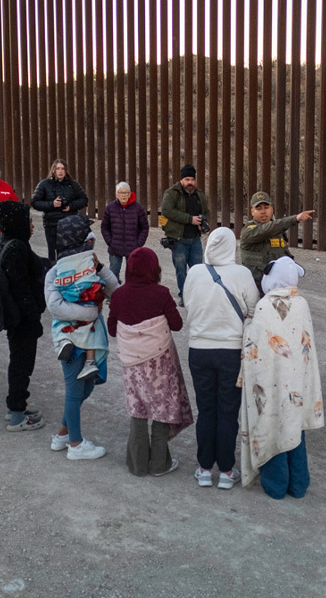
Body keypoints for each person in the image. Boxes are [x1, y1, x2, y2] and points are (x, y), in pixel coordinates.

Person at [239, 257, 324, 499]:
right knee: (294, 425)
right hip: (296, 379)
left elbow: (254, 344)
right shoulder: (302, 304)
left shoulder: (265, 306)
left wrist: (247, 324)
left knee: (272, 422)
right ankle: (298, 484)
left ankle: (275, 484)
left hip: (271, 380)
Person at [182, 227, 260, 489]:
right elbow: (253, 308)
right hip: (232, 351)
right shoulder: (242, 273)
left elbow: (188, 304)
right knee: (228, 410)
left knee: (206, 409)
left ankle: (204, 468)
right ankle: (226, 471)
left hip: (199, 349)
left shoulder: (194, 272)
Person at [107, 247, 191, 477]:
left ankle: (138, 465)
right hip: (160, 362)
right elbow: (177, 325)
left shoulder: (118, 295)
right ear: (155, 268)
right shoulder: (161, 293)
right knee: (162, 410)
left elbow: (112, 330)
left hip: (132, 363)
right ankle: (159, 464)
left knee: (138, 409)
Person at [45, 216, 121, 459]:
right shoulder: (55, 272)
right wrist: (89, 312)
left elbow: (115, 291)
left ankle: (63, 434)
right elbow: (55, 306)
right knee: (74, 389)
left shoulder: (91, 267)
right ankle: (76, 445)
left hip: (92, 337)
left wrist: (100, 268)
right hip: (70, 339)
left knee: (86, 386)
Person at [0, 200, 48, 431]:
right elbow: (21, 289)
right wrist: (34, 318)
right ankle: (17, 416)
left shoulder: (12, 243)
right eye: (28, 220)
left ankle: (15, 407)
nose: (32, 224)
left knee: (19, 362)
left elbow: (38, 264)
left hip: (17, 316)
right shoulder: (16, 249)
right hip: (21, 318)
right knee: (21, 365)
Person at [46, 216, 105, 381]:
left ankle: (63, 341)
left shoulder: (61, 263)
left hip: (68, 299)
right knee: (91, 328)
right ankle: (90, 361)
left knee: (63, 319)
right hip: (88, 303)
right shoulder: (88, 259)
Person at [238, 191, 314, 292]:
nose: (263, 211)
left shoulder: (278, 231)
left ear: (272, 209)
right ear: (252, 211)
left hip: (278, 288)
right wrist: (294, 219)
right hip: (256, 288)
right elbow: (267, 229)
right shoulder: (249, 231)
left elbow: (284, 255)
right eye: (258, 208)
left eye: (266, 207)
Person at [160, 164, 210, 306]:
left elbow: (207, 211)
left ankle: (197, 295)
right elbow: (167, 211)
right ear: (181, 180)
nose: (190, 182)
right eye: (187, 179)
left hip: (195, 239)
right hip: (178, 239)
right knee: (181, 271)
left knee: (198, 270)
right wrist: (190, 219)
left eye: (192, 179)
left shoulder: (199, 194)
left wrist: (203, 221)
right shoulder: (171, 193)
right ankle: (184, 295)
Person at [30, 159, 88, 263]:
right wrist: (52, 204)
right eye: (58, 168)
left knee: (69, 252)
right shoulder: (44, 184)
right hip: (51, 223)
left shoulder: (73, 184)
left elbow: (84, 199)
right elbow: (35, 202)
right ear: (53, 170)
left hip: (69, 223)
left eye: (62, 168)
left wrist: (71, 206)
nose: (60, 171)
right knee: (53, 253)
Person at [101, 181, 149, 278]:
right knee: (113, 274)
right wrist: (110, 241)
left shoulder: (138, 208)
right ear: (116, 194)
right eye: (121, 193)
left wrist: (139, 244)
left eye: (126, 193)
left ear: (130, 194)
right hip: (115, 248)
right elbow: (104, 227)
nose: (123, 195)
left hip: (133, 248)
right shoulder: (110, 208)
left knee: (133, 274)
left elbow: (144, 227)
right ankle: (114, 293)